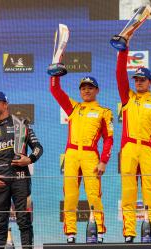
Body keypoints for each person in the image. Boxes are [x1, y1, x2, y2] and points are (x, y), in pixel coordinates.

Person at [50, 76, 114, 243]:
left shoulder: (104, 112)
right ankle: (70, 233)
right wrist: (54, 75)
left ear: (97, 90)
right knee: (70, 195)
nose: (86, 90)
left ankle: (99, 232)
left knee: (94, 195)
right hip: (71, 154)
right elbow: (55, 90)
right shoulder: (73, 107)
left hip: (90, 155)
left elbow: (109, 138)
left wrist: (104, 161)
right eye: (83, 88)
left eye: (90, 87)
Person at [116, 45, 151, 243]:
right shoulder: (127, 98)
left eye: (142, 80)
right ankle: (129, 233)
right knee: (128, 192)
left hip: (148, 149)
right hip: (129, 148)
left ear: (150, 82)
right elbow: (120, 75)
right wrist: (123, 51)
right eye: (136, 80)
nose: (138, 82)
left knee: (150, 193)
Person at [0, 91, 43, 249]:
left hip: (21, 179)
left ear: (5, 104)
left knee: (24, 221)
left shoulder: (21, 125)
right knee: (0, 222)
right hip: (0, 182)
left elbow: (38, 148)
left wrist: (29, 159)